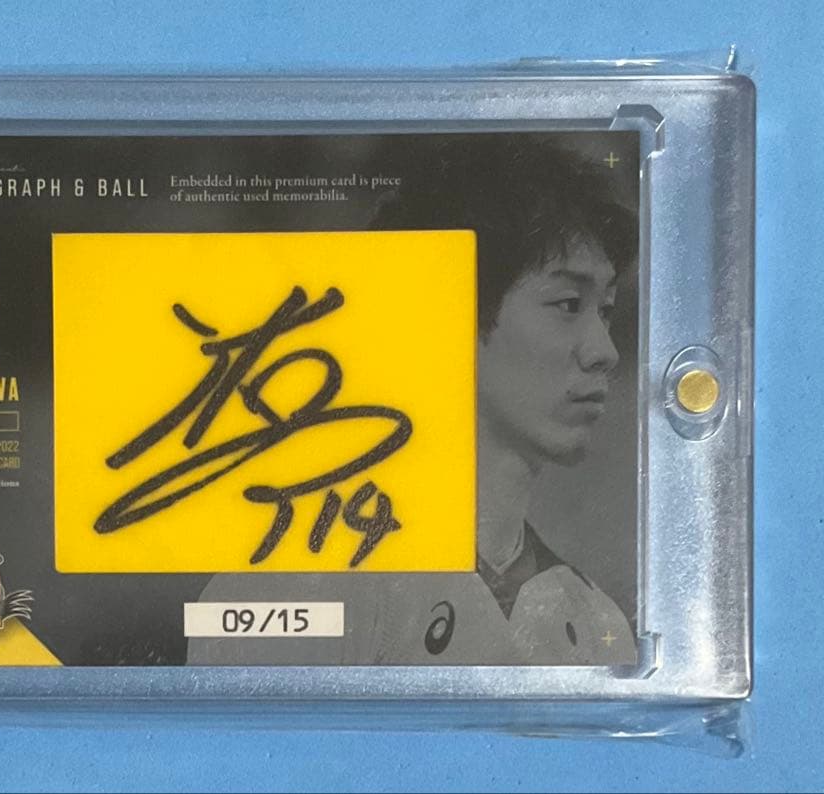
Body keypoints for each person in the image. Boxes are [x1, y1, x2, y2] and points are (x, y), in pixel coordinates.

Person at [188, 136, 638, 665]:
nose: (605, 351)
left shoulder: (599, 623)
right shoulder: (291, 585)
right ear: (445, 310)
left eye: (606, 310)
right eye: (569, 304)